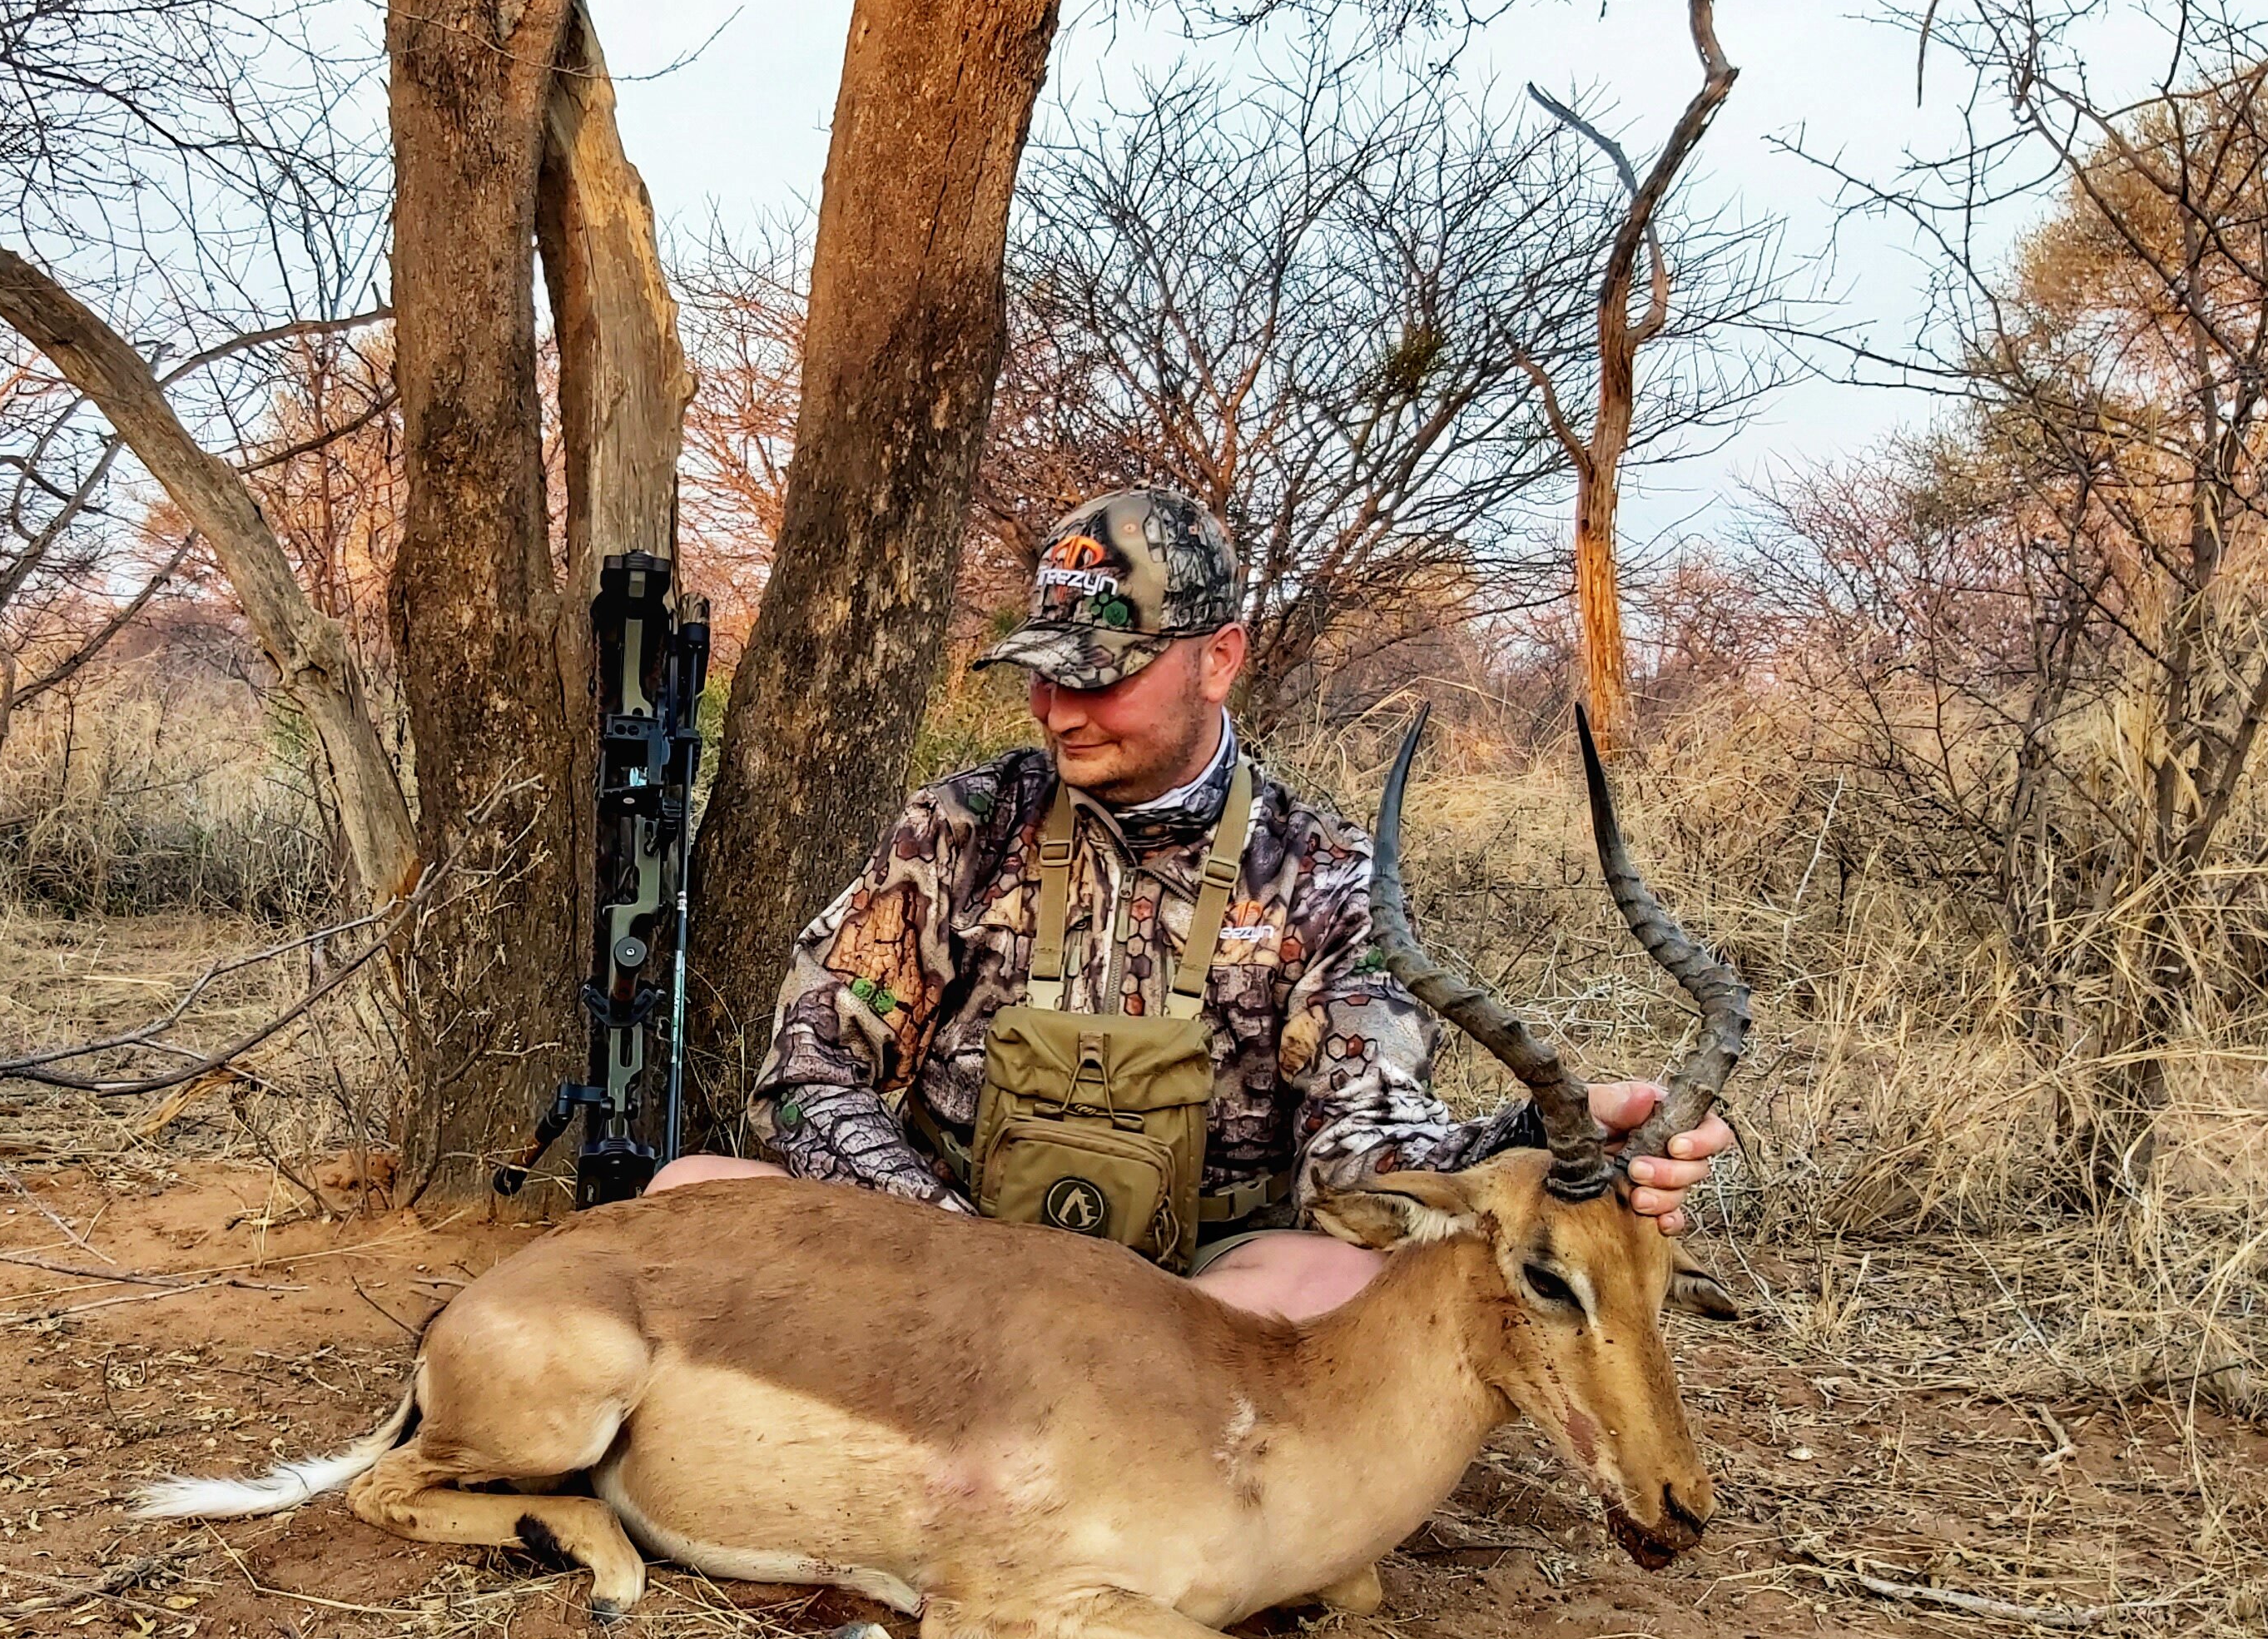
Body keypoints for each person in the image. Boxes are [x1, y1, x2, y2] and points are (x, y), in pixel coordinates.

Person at [649, 486, 1733, 1330]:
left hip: (1188, 1313)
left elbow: (1358, 1153)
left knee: (1354, 1285)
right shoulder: (962, 826)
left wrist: (1547, 1138)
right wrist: (961, 1253)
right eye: (1043, 675)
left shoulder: (1324, 875)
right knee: (691, 1192)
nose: (1057, 712)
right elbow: (807, 1079)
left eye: (1101, 676)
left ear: (1219, 660)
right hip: (936, 1279)